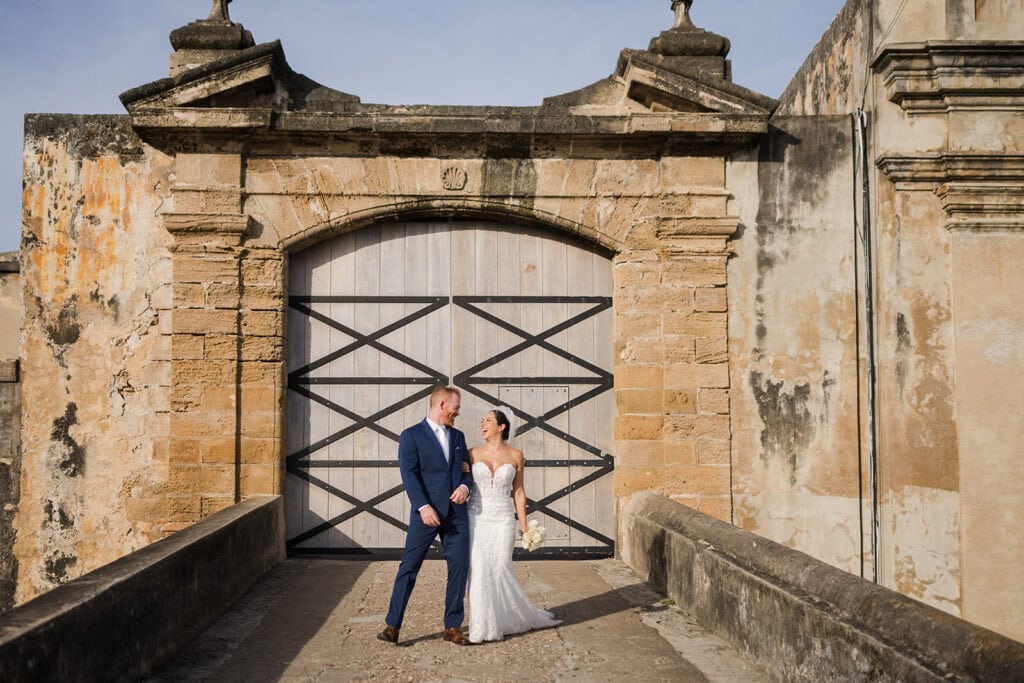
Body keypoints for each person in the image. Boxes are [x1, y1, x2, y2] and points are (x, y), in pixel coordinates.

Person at [379, 386, 474, 646]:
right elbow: (409, 475)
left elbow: (467, 470)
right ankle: (392, 626)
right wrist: (423, 506)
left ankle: (452, 626)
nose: (458, 412)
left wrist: (465, 487)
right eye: (456, 407)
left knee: (458, 567)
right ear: (442, 404)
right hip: (425, 513)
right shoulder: (411, 436)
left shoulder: (458, 437)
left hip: (456, 514)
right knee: (408, 567)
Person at [465, 407, 561, 643]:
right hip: (476, 518)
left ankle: (506, 618)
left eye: (487, 420)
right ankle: (481, 626)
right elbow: (461, 483)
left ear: (502, 426)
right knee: (478, 568)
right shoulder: (472, 453)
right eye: (481, 421)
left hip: (503, 518)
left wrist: (525, 526)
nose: (482, 424)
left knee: (500, 566)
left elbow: (518, 492)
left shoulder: (516, 455)